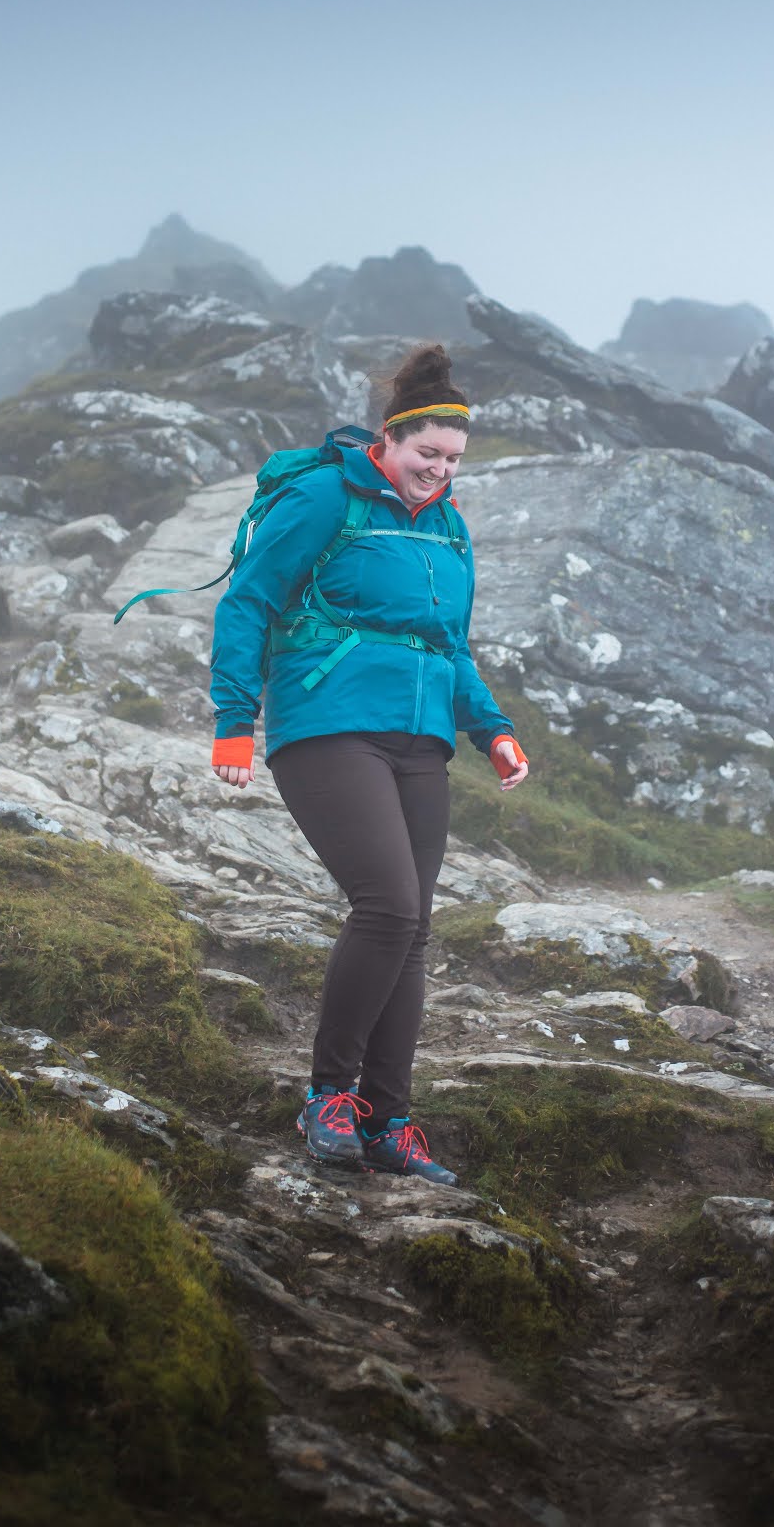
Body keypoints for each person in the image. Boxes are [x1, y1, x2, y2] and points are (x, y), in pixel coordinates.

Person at [208, 342, 528, 1184]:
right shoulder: (325, 496)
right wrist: (233, 720)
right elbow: (248, 600)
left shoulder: (449, 528)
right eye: (427, 455)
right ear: (387, 441)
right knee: (386, 906)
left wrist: (489, 728)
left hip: (419, 735)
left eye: (453, 460)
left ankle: (390, 1121)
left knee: (413, 927)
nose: (438, 472)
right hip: (328, 722)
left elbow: (449, 643)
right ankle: (327, 1096)